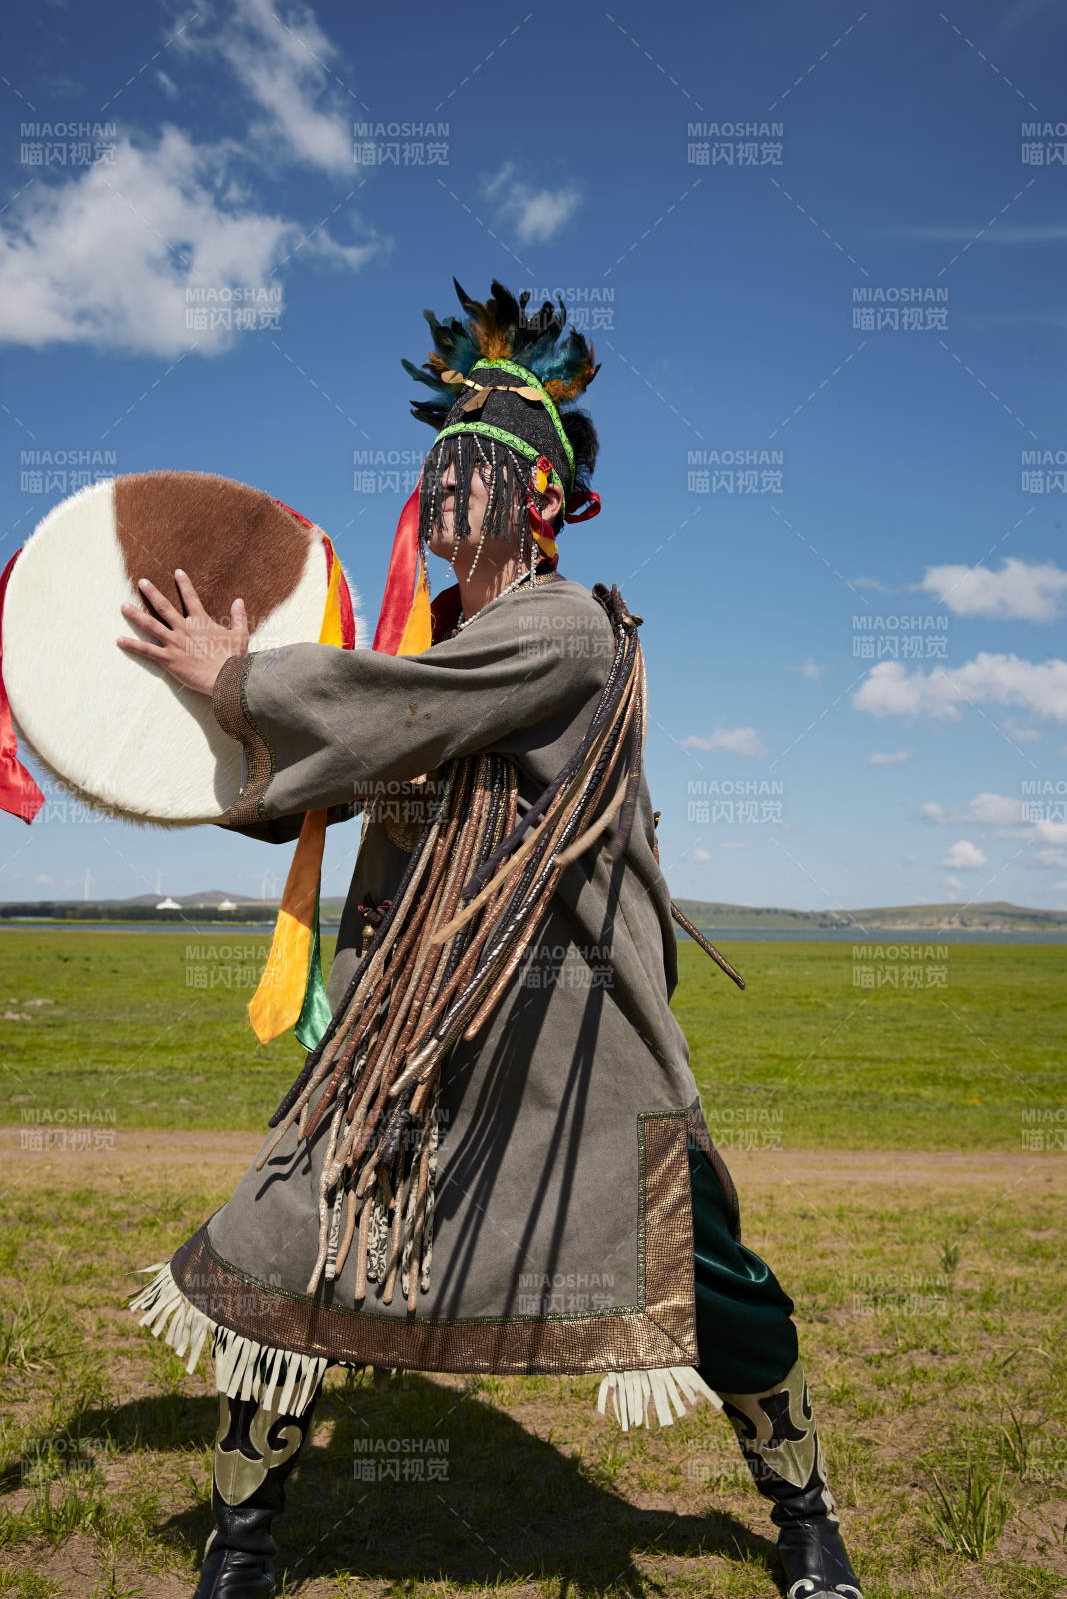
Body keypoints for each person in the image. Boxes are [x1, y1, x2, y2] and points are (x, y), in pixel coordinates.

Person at [124, 281, 863, 1599]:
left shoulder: (566, 635)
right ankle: (241, 1551)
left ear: (541, 499)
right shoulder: (426, 669)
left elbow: (377, 709)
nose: (447, 483)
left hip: (573, 1045)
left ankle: (805, 1518)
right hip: (412, 1047)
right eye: (435, 464)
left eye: (476, 464)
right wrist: (207, 736)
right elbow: (331, 776)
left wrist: (244, 683)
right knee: (280, 1245)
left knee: (712, 1282)